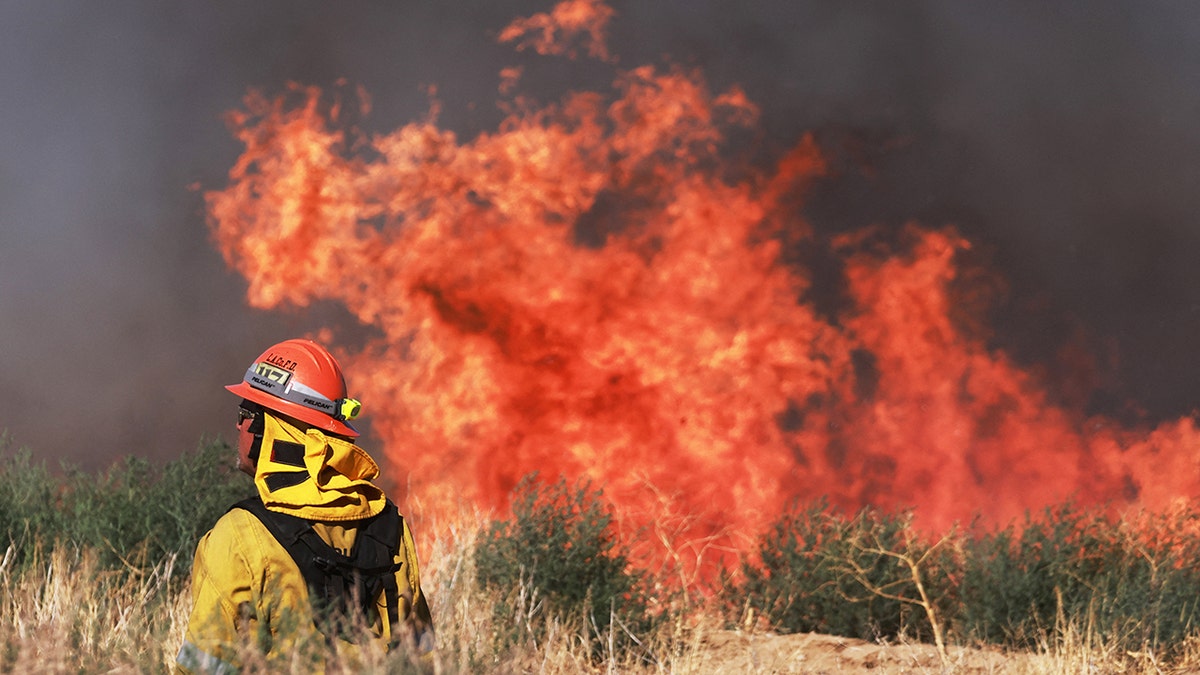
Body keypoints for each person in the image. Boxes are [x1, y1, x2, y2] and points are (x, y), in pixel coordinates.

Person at [176, 338, 434, 673]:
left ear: (269, 427)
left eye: (245, 412)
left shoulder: (240, 535)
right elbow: (422, 655)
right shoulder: (386, 523)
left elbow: (203, 667)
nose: (238, 425)